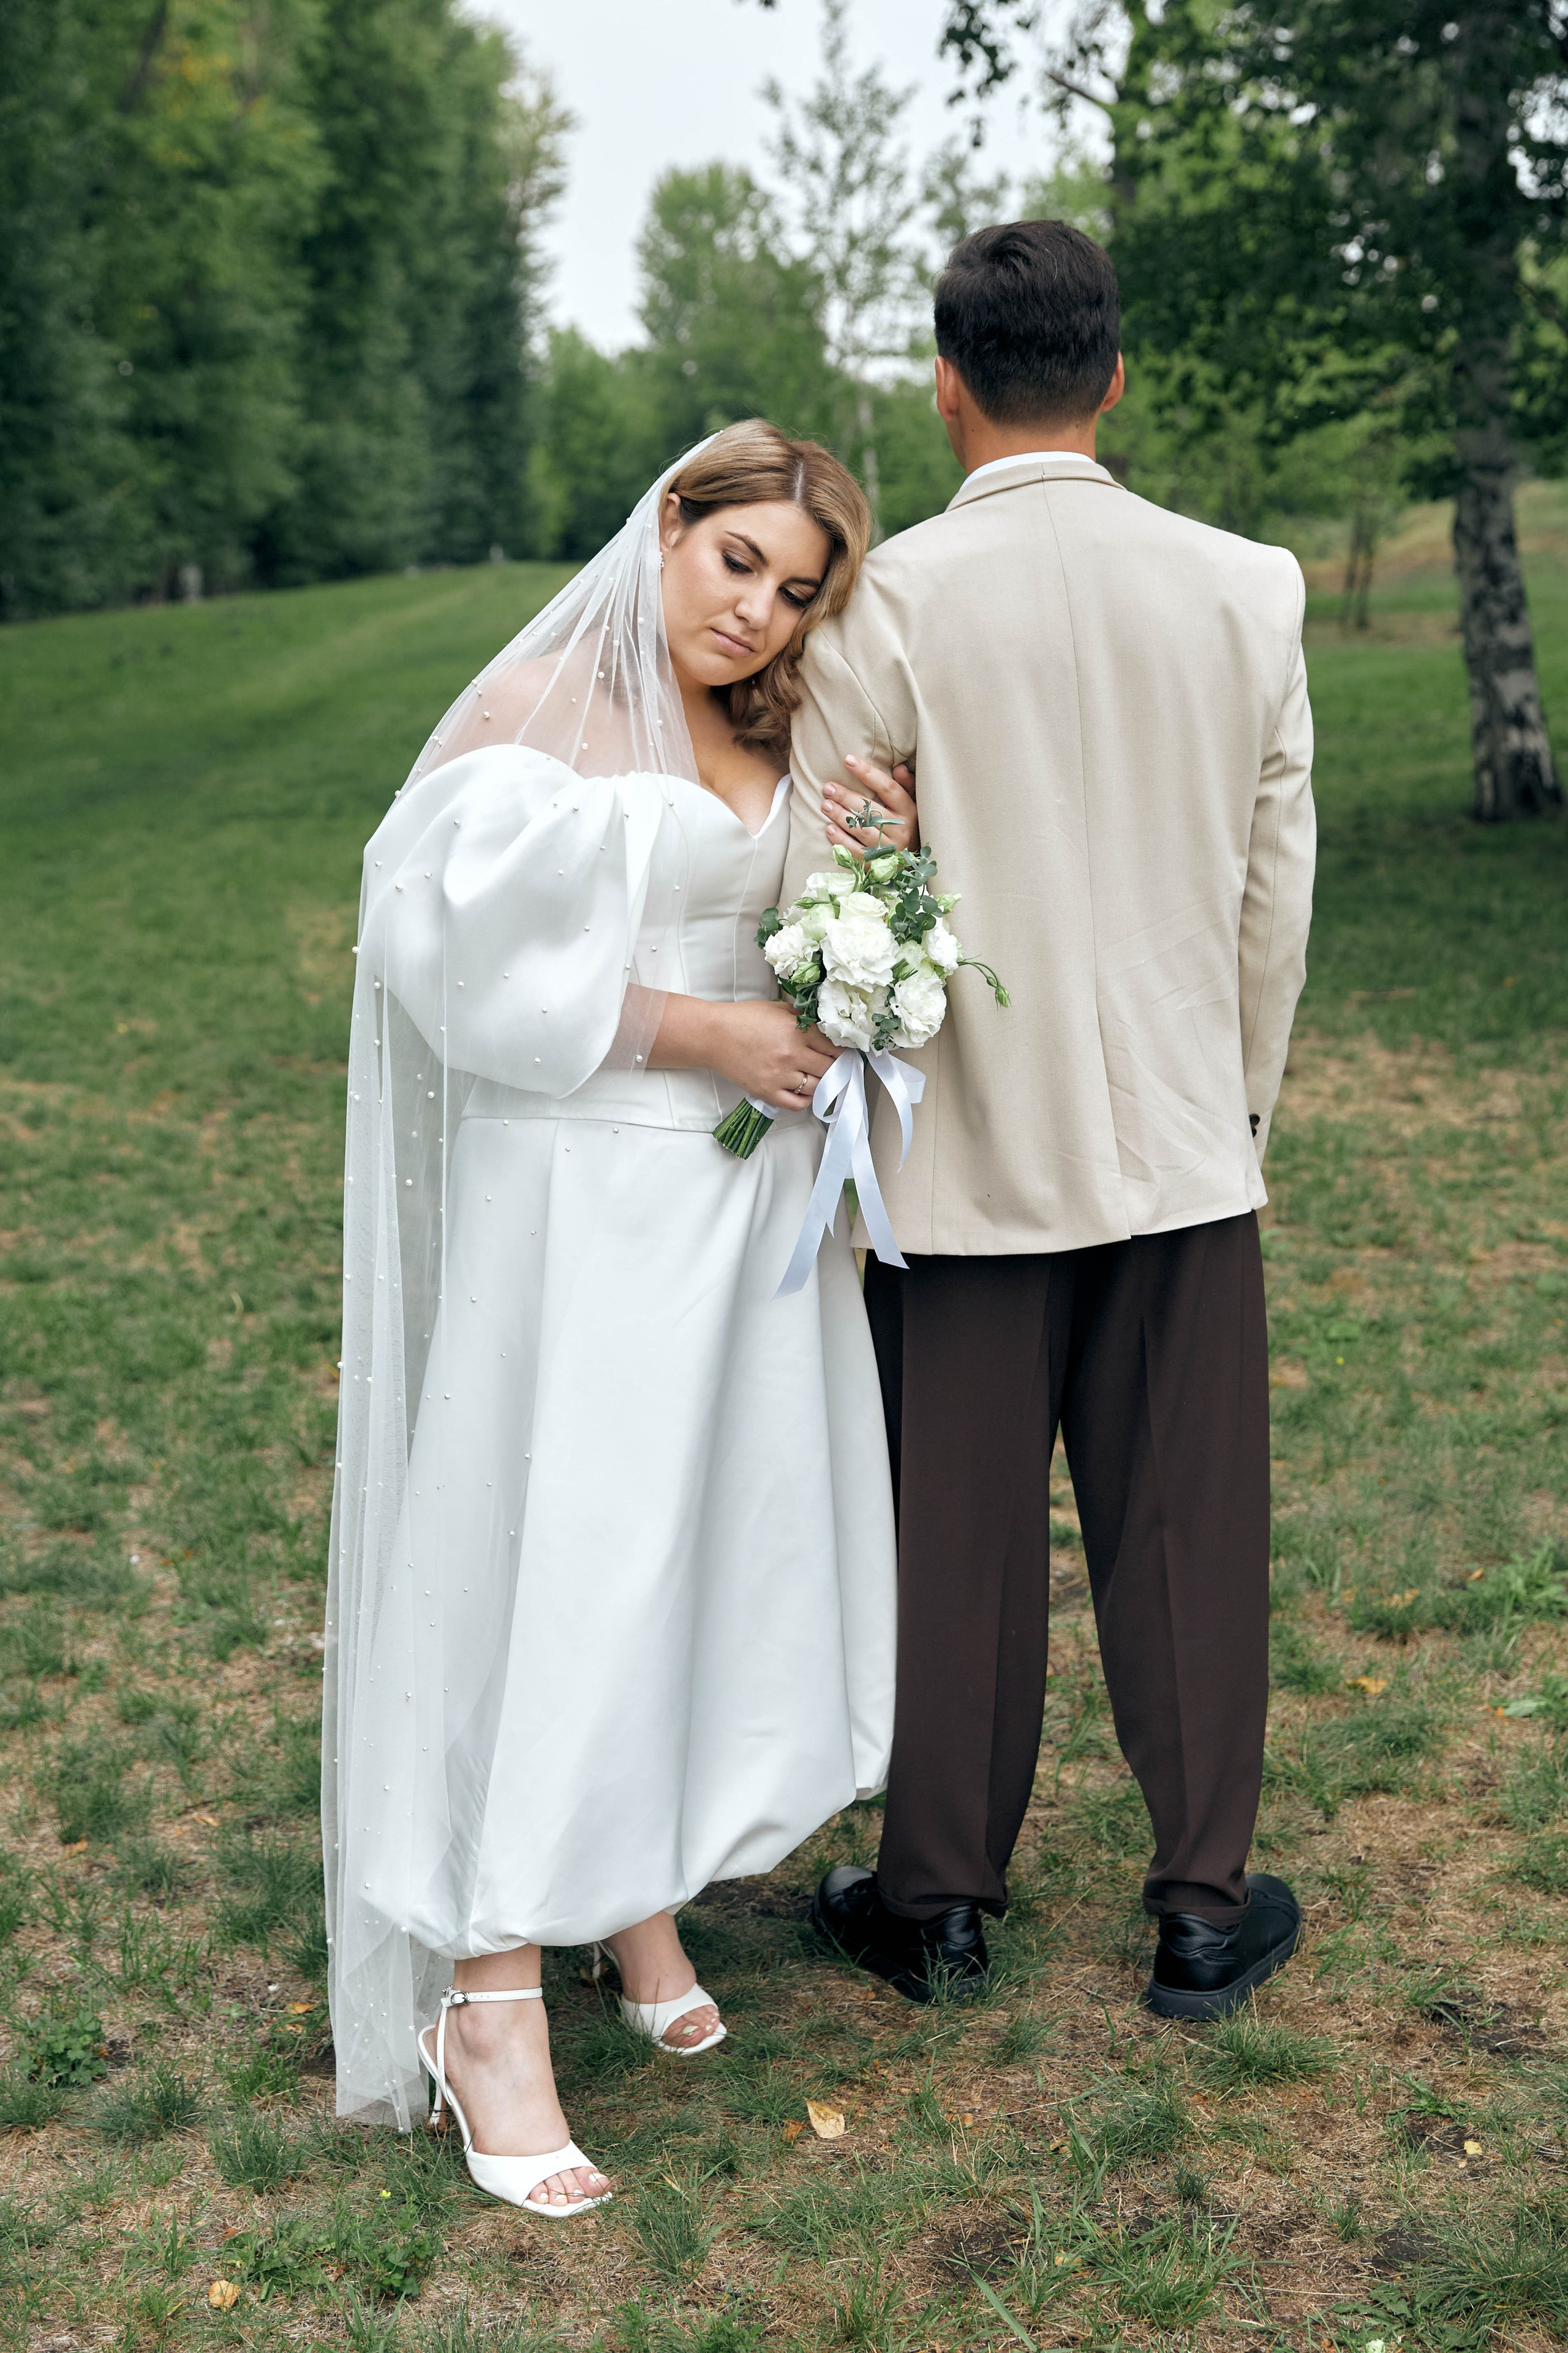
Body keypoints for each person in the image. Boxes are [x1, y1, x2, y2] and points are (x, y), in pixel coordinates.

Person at [323, 423, 902, 2216]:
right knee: (560, 1555)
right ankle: (487, 1992)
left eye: (798, 590)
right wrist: (705, 1033)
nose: (758, 613)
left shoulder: (772, 728)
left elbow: (793, 933)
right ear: (673, 524)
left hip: (736, 1208)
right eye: (739, 564)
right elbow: (443, 958)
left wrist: (870, 880)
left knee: (691, 1549)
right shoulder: (529, 709)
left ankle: (630, 1889)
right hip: (578, 1191)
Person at [787, 221, 1317, 2022]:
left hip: (958, 1157)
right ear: (1115, 377)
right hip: (1180, 1138)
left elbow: (821, 882)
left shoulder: (880, 606)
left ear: (945, 385)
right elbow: (1272, 889)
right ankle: (1200, 1906)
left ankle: (933, 1899)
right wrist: (1230, 1101)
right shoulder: (1250, 588)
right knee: (1184, 1529)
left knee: (955, 1527)